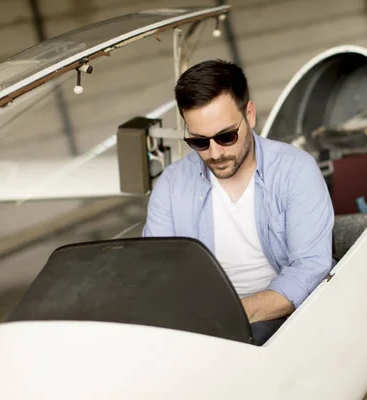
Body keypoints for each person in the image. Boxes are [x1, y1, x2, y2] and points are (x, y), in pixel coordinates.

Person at [142, 59, 334, 345]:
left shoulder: (295, 171)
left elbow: (309, 269)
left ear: (250, 115)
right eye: (199, 142)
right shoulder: (170, 186)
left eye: (226, 136)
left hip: (279, 320)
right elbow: (156, 275)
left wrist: (231, 315)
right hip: (202, 325)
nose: (215, 153)